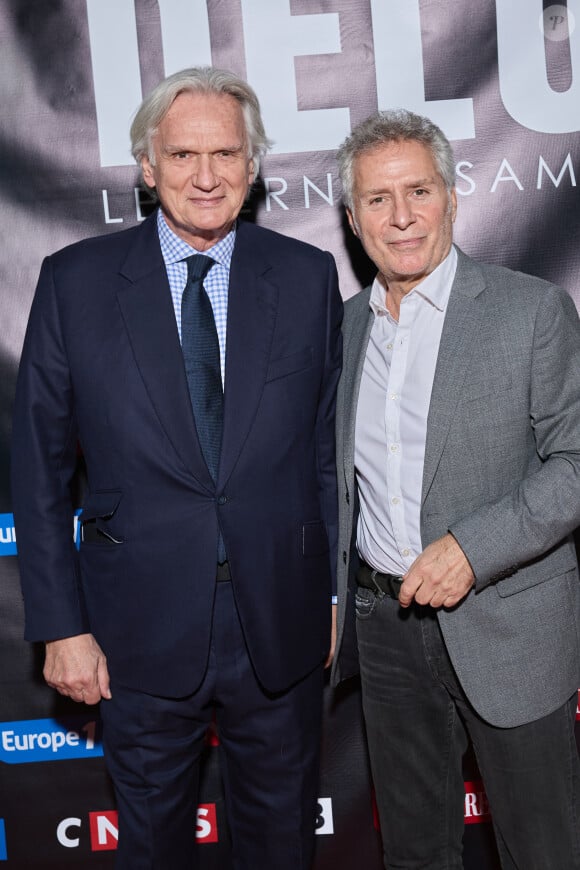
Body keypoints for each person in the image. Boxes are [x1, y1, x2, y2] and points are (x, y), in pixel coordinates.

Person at [11, 66, 342, 870]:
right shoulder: (75, 283)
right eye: (184, 154)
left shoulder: (305, 279)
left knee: (281, 843)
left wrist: (330, 592)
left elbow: (326, 454)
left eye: (226, 154)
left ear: (253, 167)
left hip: (280, 620)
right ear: (147, 167)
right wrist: (60, 624)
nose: (207, 175)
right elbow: (39, 468)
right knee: (151, 846)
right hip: (135, 628)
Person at [330, 108, 580, 869]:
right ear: (352, 216)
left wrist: (474, 549)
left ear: (451, 195)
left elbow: (574, 462)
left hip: (509, 629)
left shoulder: (528, 310)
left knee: (543, 850)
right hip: (386, 631)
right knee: (414, 853)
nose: (401, 217)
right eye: (378, 199)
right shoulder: (340, 330)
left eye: (419, 191)